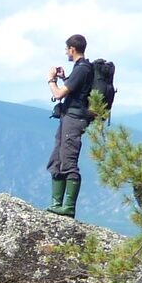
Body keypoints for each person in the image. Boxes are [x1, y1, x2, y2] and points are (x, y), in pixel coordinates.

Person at [45, 34, 94, 217]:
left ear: (72, 49)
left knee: (68, 160)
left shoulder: (82, 69)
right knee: (57, 158)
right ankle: (56, 204)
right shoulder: (81, 69)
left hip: (73, 119)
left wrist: (51, 80)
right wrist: (66, 78)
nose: (66, 52)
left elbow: (58, 94)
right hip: (69, 118)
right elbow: (75, 91)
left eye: (66, 49)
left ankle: (68, 207)